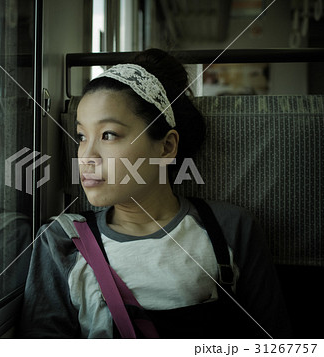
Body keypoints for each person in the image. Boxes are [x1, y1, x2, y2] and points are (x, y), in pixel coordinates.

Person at [18, 48, 291, 338]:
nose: (86, 156)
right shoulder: (62, 241)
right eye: (82, 136)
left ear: (166, 147)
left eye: (108, 134)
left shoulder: (228, 229)